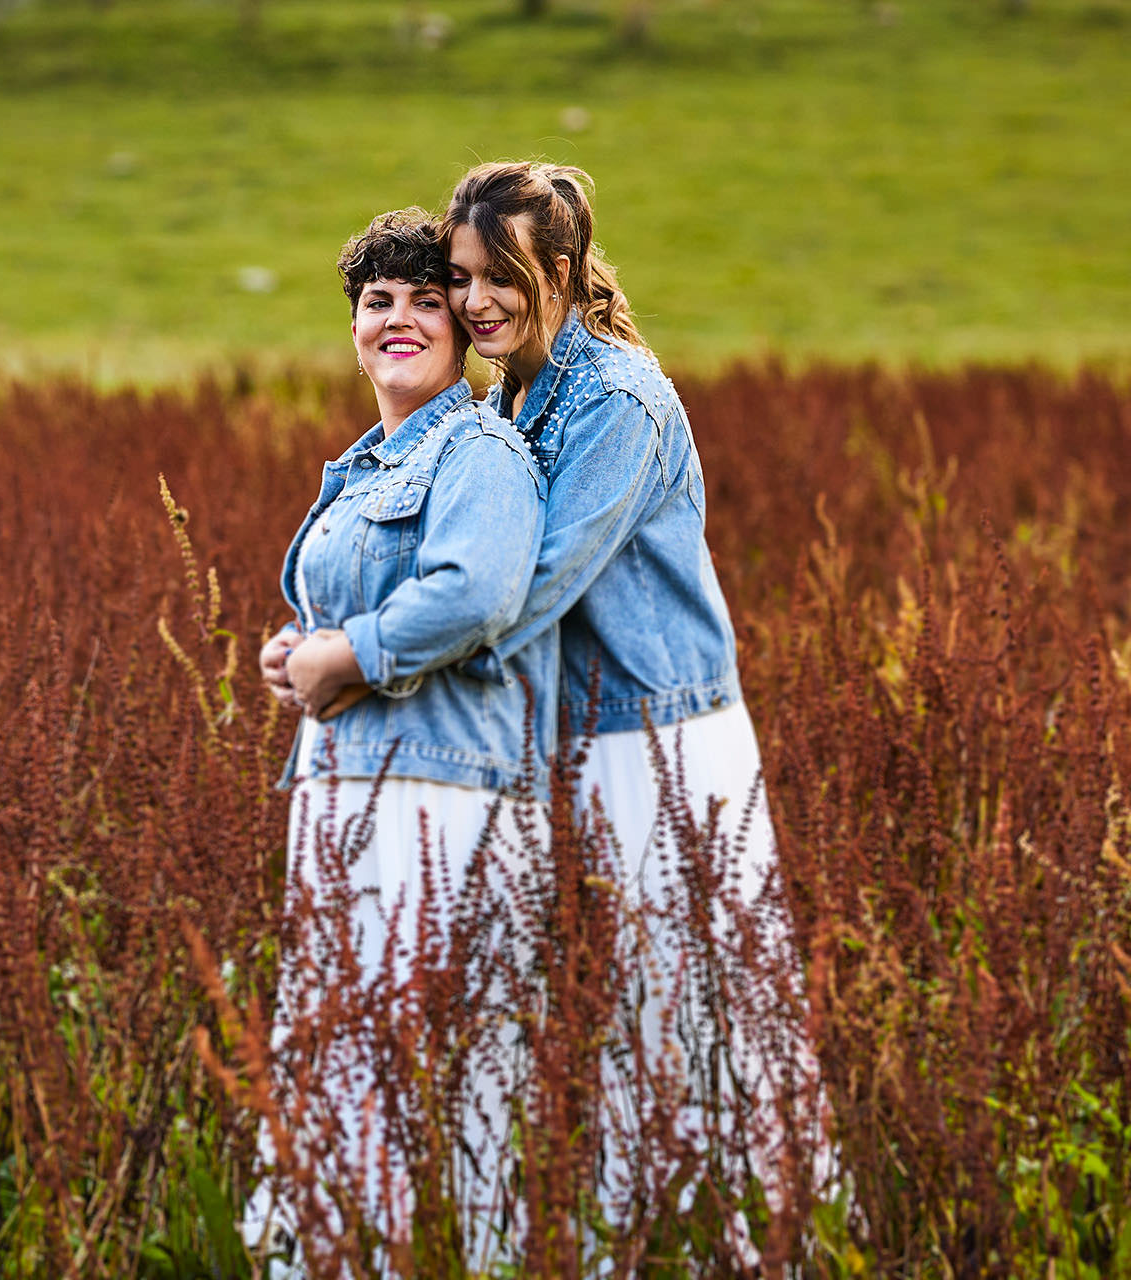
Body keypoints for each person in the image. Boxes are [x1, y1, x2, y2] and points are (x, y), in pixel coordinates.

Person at [438, 161, 799, 1250]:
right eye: (461, 276)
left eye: (499, 276)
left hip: (662, 743)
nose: (474, 302)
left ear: (557, 270)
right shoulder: (512, 397)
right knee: (610, 1006)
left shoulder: (617, 400)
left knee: (684, 1007)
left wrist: (372, 659)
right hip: (583, 738)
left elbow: (534, 584)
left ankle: (737, 1242)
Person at [251, 207, 557, 1273]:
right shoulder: (365, 467)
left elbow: (475, 592)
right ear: (353, 325)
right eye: (378, 301)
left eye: (428, 301)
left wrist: (346, 654)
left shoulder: (480, 450)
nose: (401, 319)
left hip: (441, 802)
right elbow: (348, 605)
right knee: (337, 1066)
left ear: (462, 327)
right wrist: (296, 649)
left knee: (443, 1075)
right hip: (345, 793)